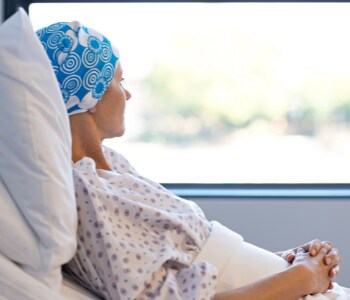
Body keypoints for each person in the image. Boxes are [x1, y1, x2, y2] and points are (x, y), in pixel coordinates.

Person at [37, 21, 349, 300]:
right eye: (119, 81)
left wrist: (288, 261)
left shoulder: (113, 167)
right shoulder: (87, 192)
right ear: (91, 92)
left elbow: (192, 261)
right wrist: (303, 277)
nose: (128, 94)